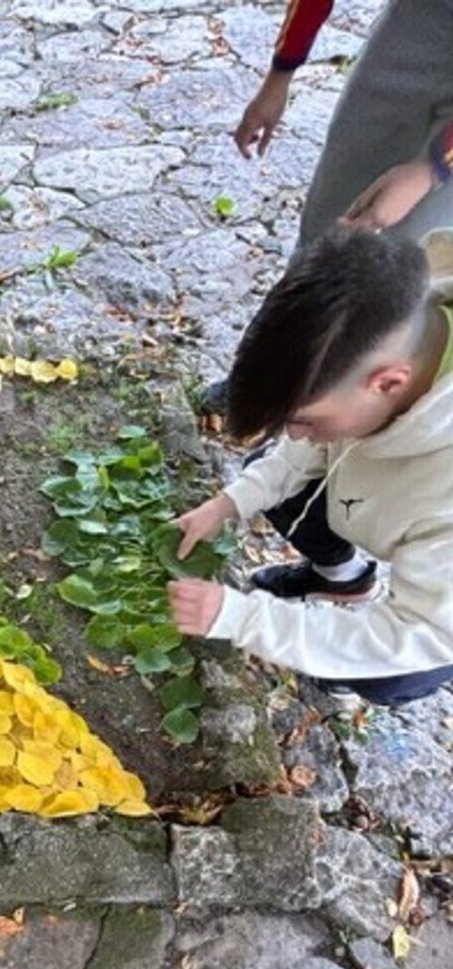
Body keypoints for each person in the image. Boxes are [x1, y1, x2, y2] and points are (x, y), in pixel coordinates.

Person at [168, 229, 453, 706]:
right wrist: (227, 504)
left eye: (304, 419)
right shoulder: (396, 317)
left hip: (442, 620)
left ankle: (365, 677)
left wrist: (243, 619)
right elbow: (305, 447)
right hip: (379, 492)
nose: (295, 434)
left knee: (391, 675)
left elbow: (419, 632)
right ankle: (343, 581)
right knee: (274, 476)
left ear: (387, 383)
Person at [234, 0, 453, 244]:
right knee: (328, 228)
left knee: (422, 251)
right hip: (420, 23)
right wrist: (280, 75)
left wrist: (431, 168)